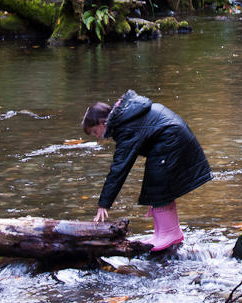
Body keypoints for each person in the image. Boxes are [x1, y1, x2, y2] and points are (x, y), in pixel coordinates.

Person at [81, 89, 212, 251]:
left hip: (172, 139)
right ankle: (162, 233)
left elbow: (119, 168)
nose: (97, 137)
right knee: (155, 182)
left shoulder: (125, 126)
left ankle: (170, 233)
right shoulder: (126, 117)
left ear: (102, 123)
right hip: (173, 136)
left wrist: (104, 204)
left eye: (95, 132)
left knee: (158, 184)